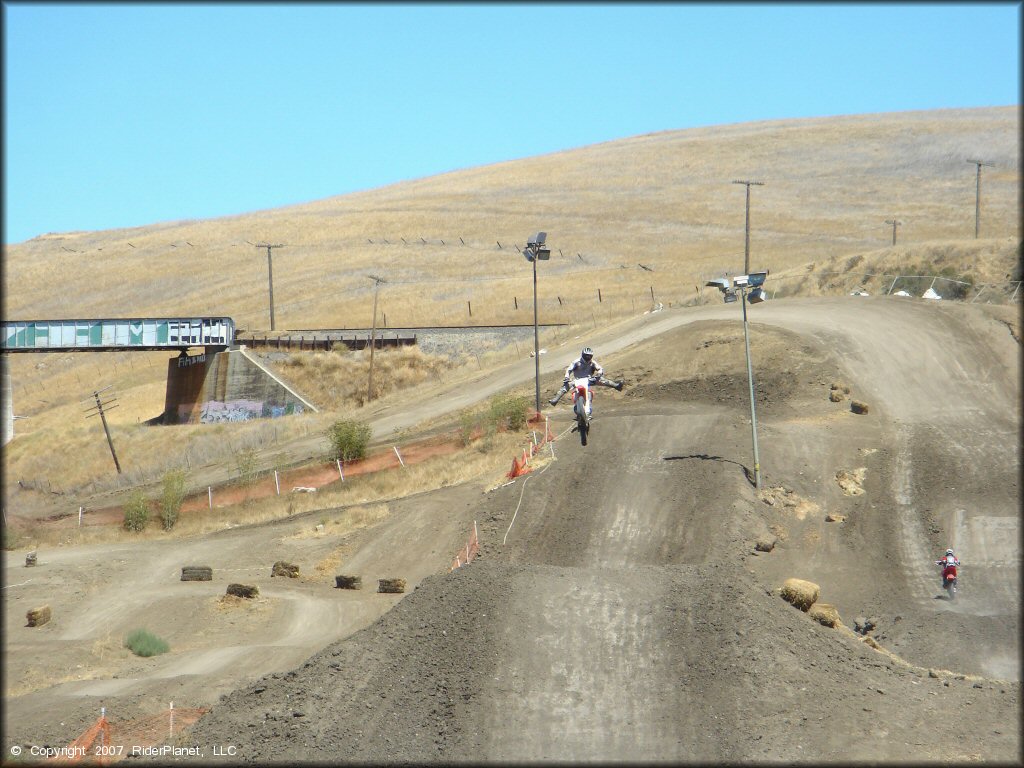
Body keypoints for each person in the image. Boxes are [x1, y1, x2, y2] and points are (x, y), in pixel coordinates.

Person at [548, 346, 622, 411]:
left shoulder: (592, 362)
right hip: (577, 380)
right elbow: (569, 370)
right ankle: (555, 400)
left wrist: (599, 374)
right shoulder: (576, 362)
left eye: (589, 356)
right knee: (565, 386)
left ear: (591, 356)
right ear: (582, 355)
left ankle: (617, 386)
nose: (587, 357)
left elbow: (600, 368)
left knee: (603, 380)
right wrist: (566, 377)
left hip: (589, 379)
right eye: (586, 355)